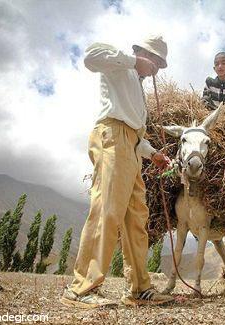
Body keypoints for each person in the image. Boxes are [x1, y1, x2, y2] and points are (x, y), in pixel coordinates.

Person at [60, 35, 174, 308]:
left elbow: (135, 131)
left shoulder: (138, 87)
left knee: (136, 219)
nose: (156, 69)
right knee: (107, 209)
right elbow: (90, 57)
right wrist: (135, 61)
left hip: (132, 147)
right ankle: (81, 288)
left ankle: (139, 288)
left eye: (159, 64)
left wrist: (153, 154)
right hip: (112, 138)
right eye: (155, 61)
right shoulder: (119, 62)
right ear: (142, 53)